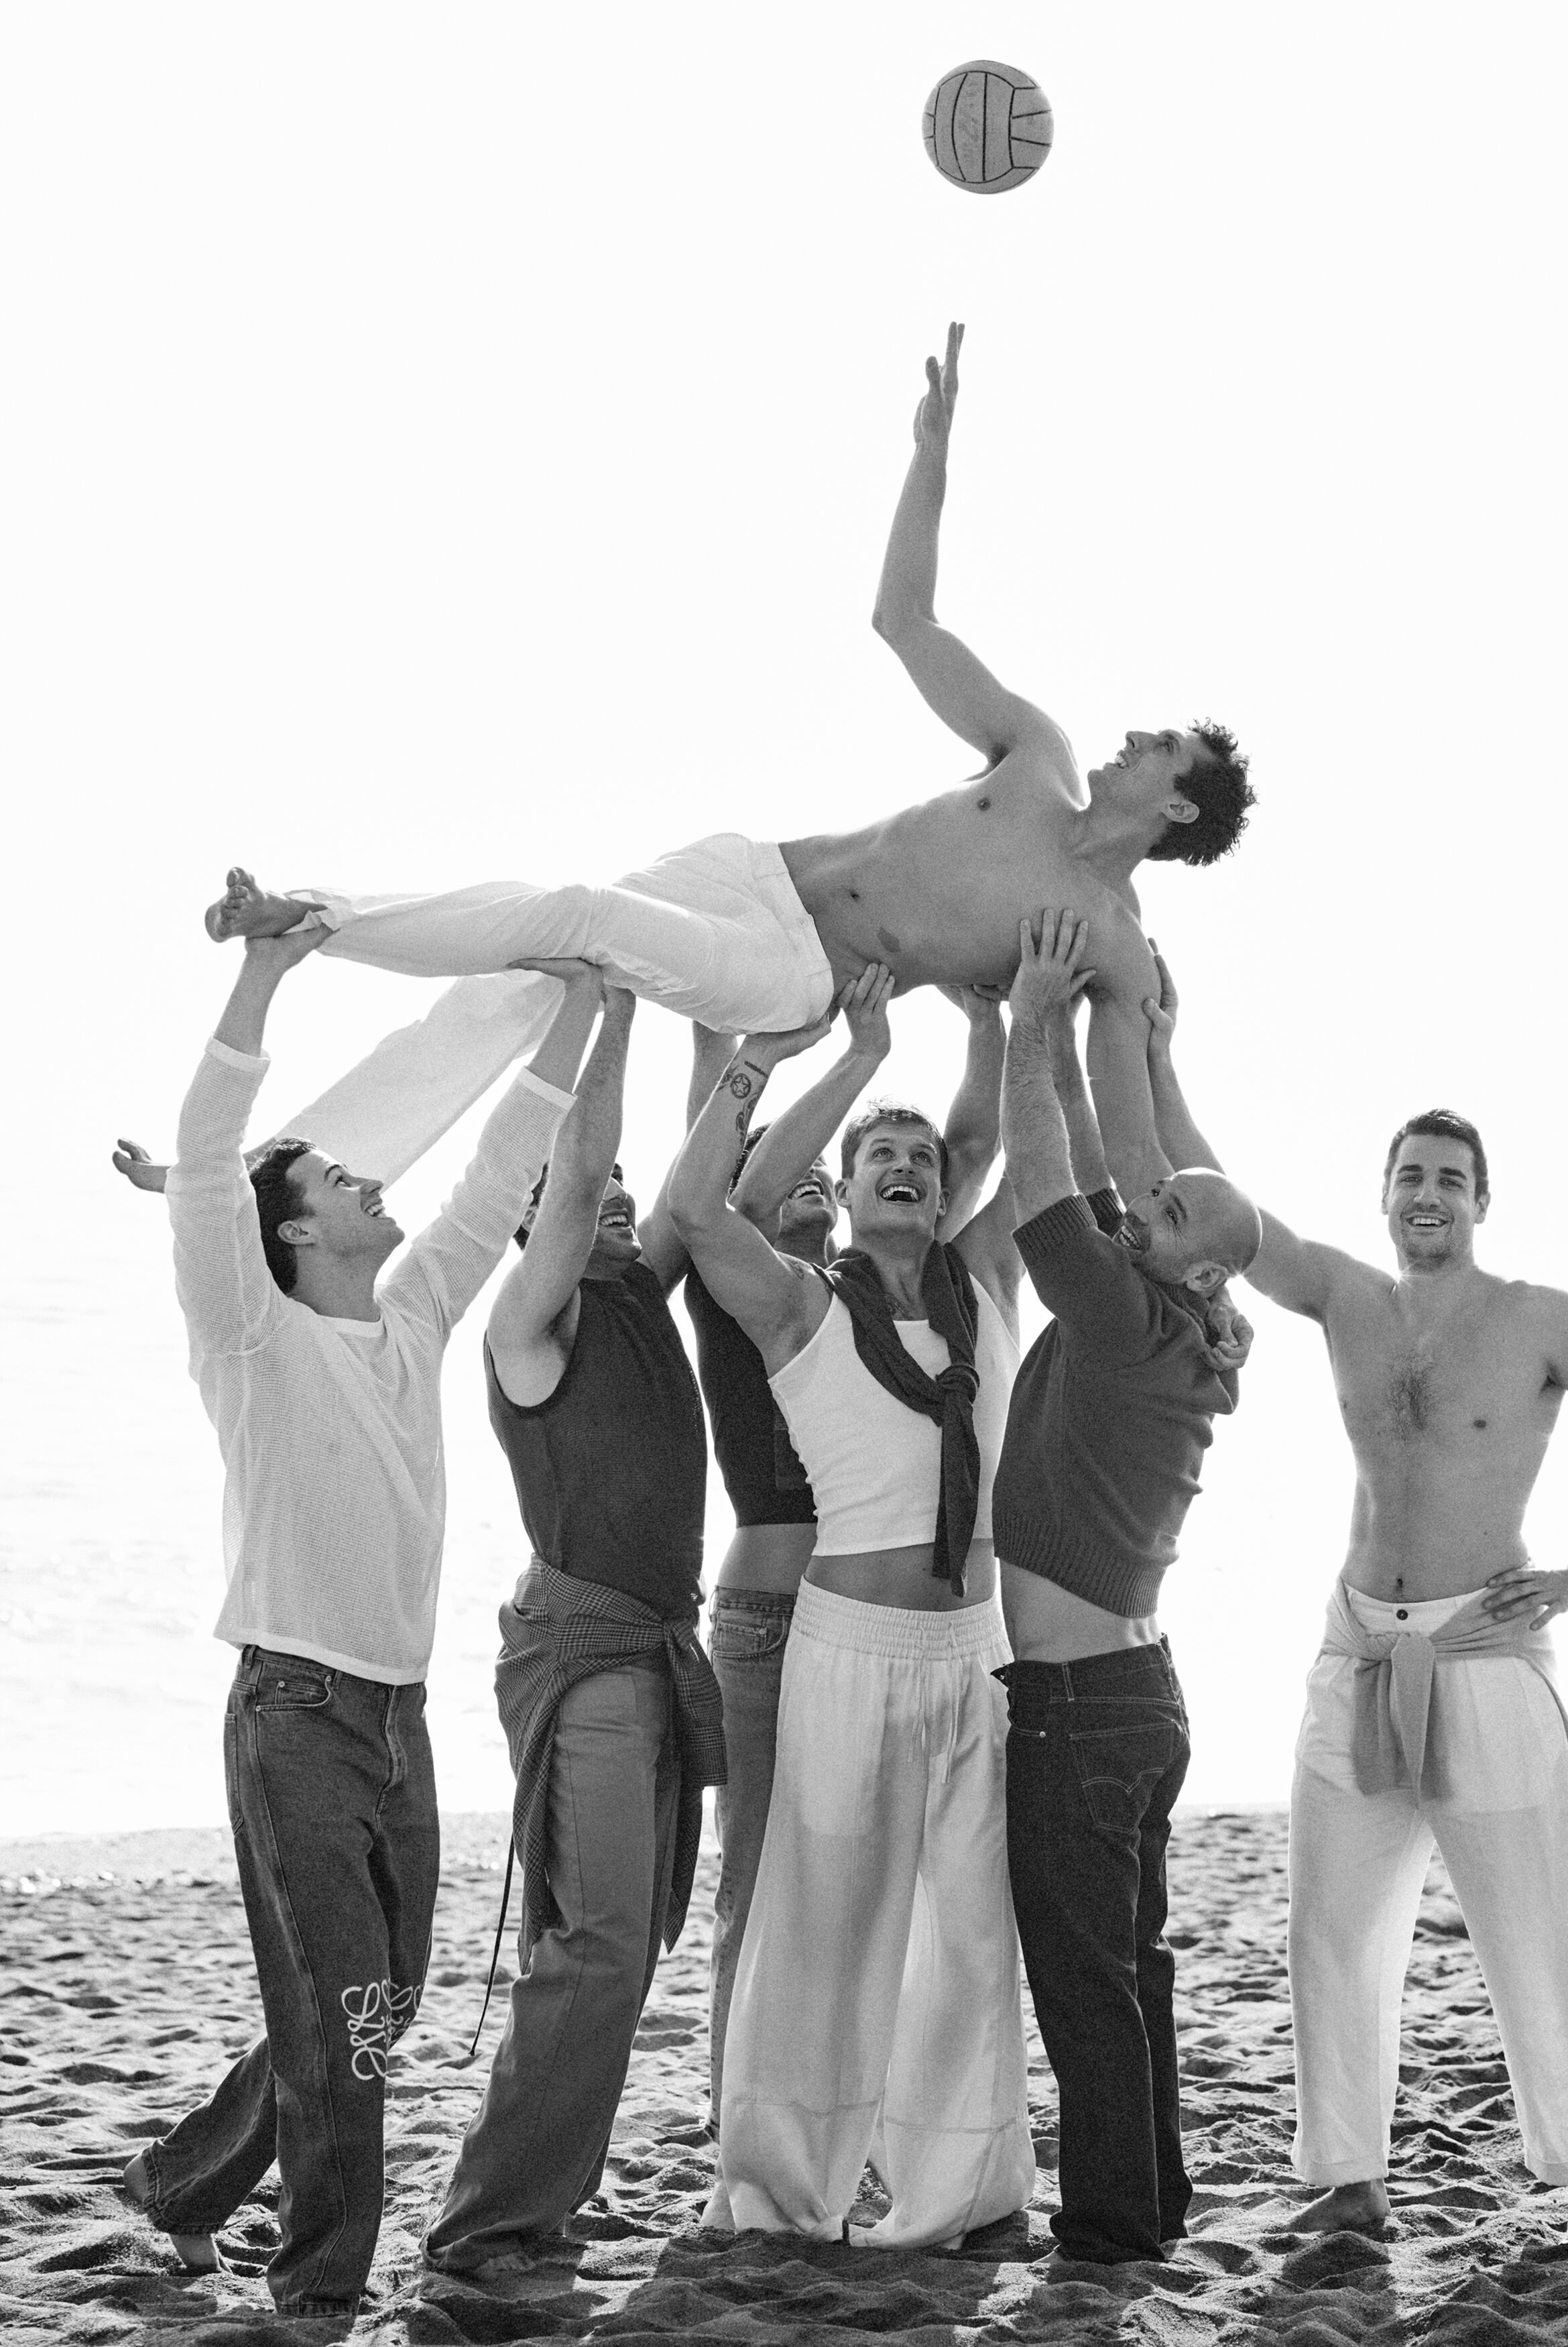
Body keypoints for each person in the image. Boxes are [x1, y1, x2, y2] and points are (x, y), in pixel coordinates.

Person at [196, 325, 1252, 1201]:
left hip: (793, 976)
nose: (1135, 740)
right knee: (533, 969)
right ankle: (284, 1167)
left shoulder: (1110, 940)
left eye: (1163, 749)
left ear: (1175, 811)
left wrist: (1212, 1252)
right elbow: (903, 618)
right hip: (748, 874)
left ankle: (315, 917)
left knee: (578, 914)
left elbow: (1128, 1139)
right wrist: (930, 458)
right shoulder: (1039, 756)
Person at [120, 931, 595, 2317]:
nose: (367, 1179)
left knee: (371, 2006)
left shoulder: (412, 1319)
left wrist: (582, 997)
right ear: (287, 1229)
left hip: (398, 1715)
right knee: (350, 2024)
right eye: (334, 1175)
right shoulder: (250, 1336)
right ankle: (320, 2287)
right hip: (295, 1717)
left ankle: (183, 2185)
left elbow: (506, 1162)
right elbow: (211, 1154)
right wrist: (268, 968)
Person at [1212, 1090, 1568, 2241]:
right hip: (1360, 1650)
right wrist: (1156, 1043)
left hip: (1486, 1649)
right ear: (1383, 1195)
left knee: (1535, 1923)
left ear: (1481, 1202)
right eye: (1408, 1176)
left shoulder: (1538, 1317)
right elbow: (1222, 1214)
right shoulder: (1345, 1299)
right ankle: (1349, 2180)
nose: (1425, 1195)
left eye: (1447, 1179)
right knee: (1331, 1926)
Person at [665, 1002, 1034, 2252]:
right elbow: (708, 1207)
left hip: (975, 1655)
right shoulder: (795, 1307)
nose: (909, 1169)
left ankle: (959, 2191)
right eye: (884, 1157)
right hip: (845, 1649)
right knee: (817, 1926)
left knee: (972, 1940)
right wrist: (856, 1059)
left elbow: (1008, 1141)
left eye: (924, 1161)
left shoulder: (983, 1283)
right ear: (848, 1183)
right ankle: (780, 2190)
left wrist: (1001, 1015)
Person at [423, 978, 728, 2273]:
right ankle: (490, 2219)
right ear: (533, 1222)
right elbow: (594, 1157)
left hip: (663, 1647)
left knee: (617, 1940)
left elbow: (692, 1177)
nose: (610, 1201)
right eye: (576, 1195)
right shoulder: (527, 1325)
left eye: (612, 1196)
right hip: (592, 1654)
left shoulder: (638, 1296)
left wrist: (755, 1063)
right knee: (596, 1944)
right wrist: (614, 1013)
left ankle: (536, 2192)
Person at [991, 915, 1258, 2265]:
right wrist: (1138, 1031)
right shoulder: (1184, 1319)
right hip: (1130, 1699)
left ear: (1189, 1261)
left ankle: (1105, 2235)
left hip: (1079, 1712)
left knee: (1088, 1986)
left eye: (1158, 1218)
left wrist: (1030, 1019)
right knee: (1131, 1975)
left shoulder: (1117, 1313)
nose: (1133, 1209)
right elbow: (1122, 1168)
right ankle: (1151, 2208)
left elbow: (1046, 1177)